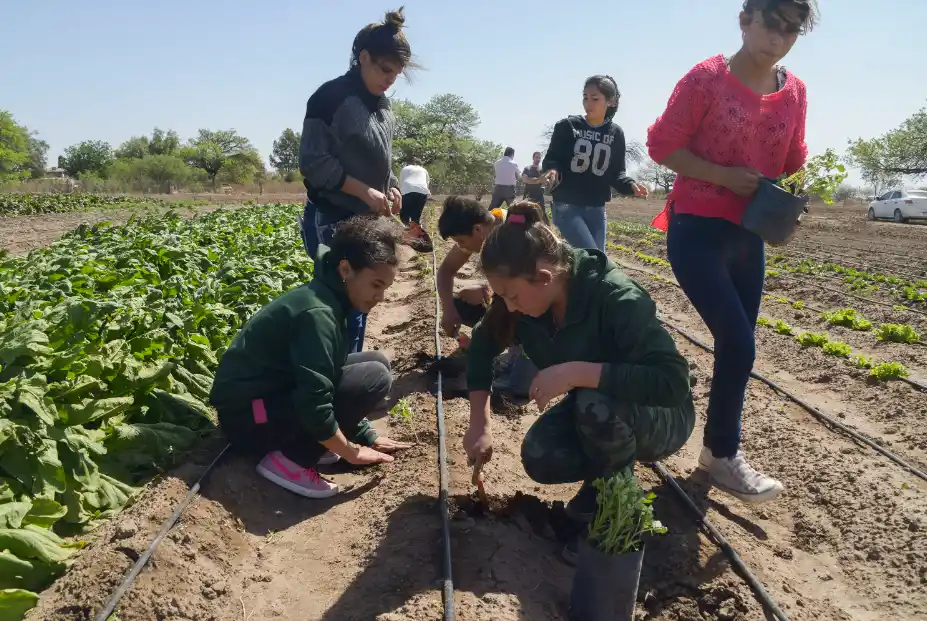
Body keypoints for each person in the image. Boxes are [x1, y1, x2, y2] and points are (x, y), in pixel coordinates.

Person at [646, 0, 815, 503]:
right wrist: (723, 176)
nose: (780, 35)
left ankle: (715, 454)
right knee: (740, 343)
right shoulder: (705, 79)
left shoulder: (796, 93)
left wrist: (790, 204)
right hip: (696, 228)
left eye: (792, 28)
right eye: (771, 22)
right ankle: (723, 453)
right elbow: (661, 146)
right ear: (745, 21)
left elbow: (791, 160)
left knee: (736, 347)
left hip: (749, 236)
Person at [463, 204, 695, 559]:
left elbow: (673, 383)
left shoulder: (615, 296)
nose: (509, 307)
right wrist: (480, 422)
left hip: (661, 413)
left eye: (512, 296)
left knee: (595, 406)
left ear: (544, 277)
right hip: (599, 402)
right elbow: (481, 347)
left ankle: (616, 509)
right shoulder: (527, 300)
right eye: (503, 297)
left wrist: (575, 372)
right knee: (541, 455)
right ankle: (604, 477)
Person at [210, 217, 412, 499]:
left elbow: (329, 373)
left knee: (377, 362)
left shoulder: (327, 297)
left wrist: (367, 435)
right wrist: (351, 452)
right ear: (345, 269)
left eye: (385, 288)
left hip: (269, 400)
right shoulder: (318, 314)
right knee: (375, 378)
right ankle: (291, 460)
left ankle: (317, 442)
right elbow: (315, 401)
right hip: (248, 420)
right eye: (376, 284)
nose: (380, 297)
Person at [298, 8, 415, 354]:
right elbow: (314, 163)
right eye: (385, 69)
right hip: (333, 217)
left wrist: (391, 185)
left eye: (397, 74)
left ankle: (347, 380)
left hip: (367, 220)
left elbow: (383, 158)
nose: (390, 79)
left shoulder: (381, 105)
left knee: (360, 303)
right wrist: (363, 190)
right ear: (363, 57)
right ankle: (329, 385)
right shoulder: (331, 97)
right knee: (338, 304)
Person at [436, 197, 540, 400]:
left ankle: (523, 349)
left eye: (461, 241)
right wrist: (448, 310)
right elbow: (445, 271)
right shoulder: (483, 230)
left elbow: (533, 289)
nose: (461, 246)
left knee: (519, 387)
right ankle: (506, 345)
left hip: (536, 310)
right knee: (460, 303)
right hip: (509, 303)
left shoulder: (515, 233)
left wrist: (486, 291)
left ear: (477, 230)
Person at [542, 75, 648, 251]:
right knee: (594, 259)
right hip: (567, 206)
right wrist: (552, 170)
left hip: (596, 208)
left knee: (598, 260)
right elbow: (552, 159)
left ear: (611, 102)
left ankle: (564, 276)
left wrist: (631, 185)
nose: (588, 103)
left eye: (595, 98)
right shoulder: (567, 126)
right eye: (585, 97)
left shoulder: (616, 134)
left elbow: (616, 174)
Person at [397, 157, 434, 253]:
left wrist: (401, 195)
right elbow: (427, 183)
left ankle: (407, 238)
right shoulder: (423, 170)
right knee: (415, 217)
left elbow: (401, 182)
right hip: (422, 192)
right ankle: (416, 240)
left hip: (407, 191)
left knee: (404, 215)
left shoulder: (404, 169)